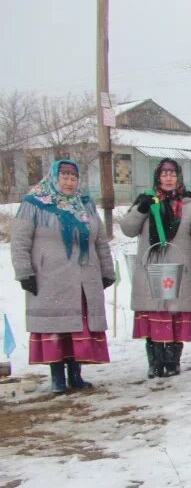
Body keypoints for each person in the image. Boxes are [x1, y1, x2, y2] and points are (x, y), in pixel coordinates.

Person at [12, 159, 114, 393]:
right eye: (65, 177)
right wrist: (24, 272)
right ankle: (57, 378)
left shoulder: (84, 205)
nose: (69, 182)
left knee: (78, 326)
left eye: (73, 178)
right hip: (50, 278)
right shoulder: (35, 204)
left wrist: (107, 271)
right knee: (56, 328)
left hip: (83, 278)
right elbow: (19, 241)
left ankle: (76, 375)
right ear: (54, 178)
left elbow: (100, 241)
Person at [122, 158, 191, 378]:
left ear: (178, 177)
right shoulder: (146, 201)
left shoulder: (189, 205)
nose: (168, 178)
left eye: (172, 173)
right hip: (153, 267)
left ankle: (173, 360)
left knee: (175, 313)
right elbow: (128, 229)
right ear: (158, 177)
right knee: (155, 312)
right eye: (164, 174)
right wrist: (141, 209)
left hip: (180, 266)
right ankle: (155, 361)